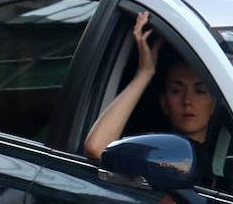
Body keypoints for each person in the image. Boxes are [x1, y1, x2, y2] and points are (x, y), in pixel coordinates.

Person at [83, 11, 217, 162]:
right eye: (176, 91)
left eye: (199, 91)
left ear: (213, 104)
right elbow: (96, 148)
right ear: (164, 103)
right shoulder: (149, 151)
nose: (187, 101)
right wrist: (144, 73)